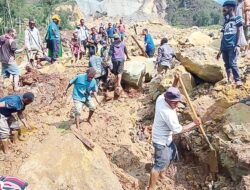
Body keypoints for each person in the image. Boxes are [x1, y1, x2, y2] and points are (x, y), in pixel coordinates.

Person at [147, 76, 201, 190]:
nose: (177, 105)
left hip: (167, 138)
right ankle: (151, 187)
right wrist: (194, 123)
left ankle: (162, 175)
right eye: (174, 103)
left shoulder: (162, 98)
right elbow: (179, 130)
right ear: (168, 100)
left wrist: (176, 80)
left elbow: (172, 89)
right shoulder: (167, 113)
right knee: (159, 165)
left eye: (178, 102)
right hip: (160, 141)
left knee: (171, 155)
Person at [216, 0, 243, 86]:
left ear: (231, 8)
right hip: (224, 47)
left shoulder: (237, 18)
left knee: (233, 63)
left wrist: (238, 44)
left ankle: (237, 79)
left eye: (225, 8)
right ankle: (229, 79)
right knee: (227, 64)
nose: (223, 9)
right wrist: (220, 51)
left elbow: (239, 31)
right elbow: (223, 37)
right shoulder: (226, 22)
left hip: (232, 45)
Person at [0, 92, 34, 157]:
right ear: (26, 99)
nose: (30, 103)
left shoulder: (23, 103)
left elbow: (20, 113)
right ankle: (6, 151)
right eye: (30, 102)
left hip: (7, 114)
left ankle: (14, 142)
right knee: (4, 133)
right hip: (1, 114)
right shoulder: (14, 102)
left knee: (16, 127)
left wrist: (26, 124)